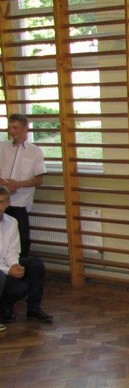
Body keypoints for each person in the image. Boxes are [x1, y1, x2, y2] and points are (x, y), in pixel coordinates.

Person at [0, 185, 52, 324]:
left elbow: (13, 250)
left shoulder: (11, 222)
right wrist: (8, 270)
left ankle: (33, 309)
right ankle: (4, 309)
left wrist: (14, 265)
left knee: (36, 264)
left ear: (8, 203)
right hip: (1, 270)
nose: (0, 206)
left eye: (2, 202)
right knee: (18, 287)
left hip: (6, 265)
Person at [0, 113, 47, 257]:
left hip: (20, 204)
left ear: (26, 128)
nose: (12, 131)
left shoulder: (35, 151)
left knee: (22, 242)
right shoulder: (2, 147)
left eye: (15, 128)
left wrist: (19, 184)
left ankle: (20, 269)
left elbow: (39, 180)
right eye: (10, 128)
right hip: (1, 202)